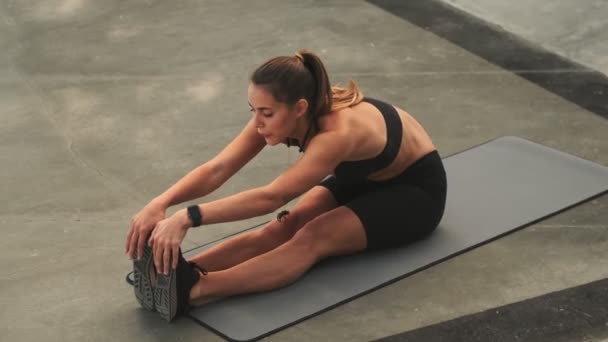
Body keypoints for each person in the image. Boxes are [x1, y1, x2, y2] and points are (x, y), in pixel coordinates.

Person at [125, 50, 447, 322]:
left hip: (416, 192)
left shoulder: (338, 134)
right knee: (283, 226)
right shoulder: (286, 110)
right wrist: (161, 202)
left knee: (312, 236)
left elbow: (272, 196)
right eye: (254, 111)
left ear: (300, 108)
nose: (258, 122)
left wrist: (188, 217)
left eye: (266, 113)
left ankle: (193, 291)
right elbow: (217, 168)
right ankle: (177, 273)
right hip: (364, 177)